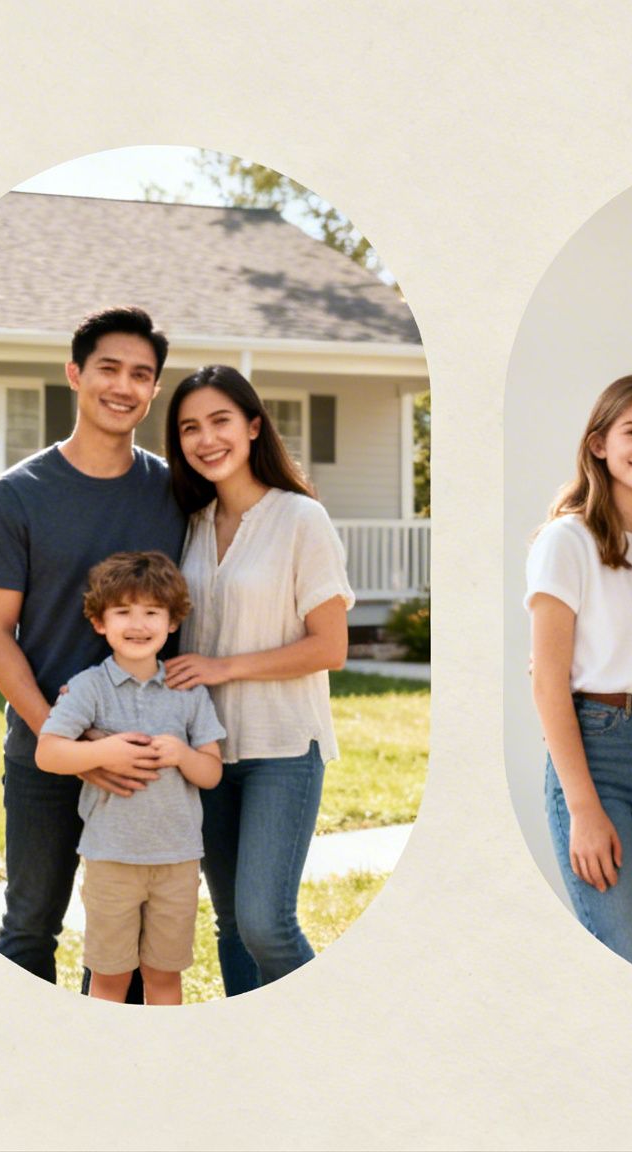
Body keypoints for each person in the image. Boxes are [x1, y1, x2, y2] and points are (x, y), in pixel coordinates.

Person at [0, 305, 188, 992]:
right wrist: (66, 742)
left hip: (147, 758)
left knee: (120, 938)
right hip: (46, 747)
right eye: (109, 369)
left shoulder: (175, 492)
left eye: (141, 375)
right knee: (31, 925)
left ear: (154, 389)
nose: (124, 387)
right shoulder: (17, 495)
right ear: (75, 374)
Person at [163, 365, 355, 993]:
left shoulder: (302, 519)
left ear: (252, 426)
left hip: (282, 749)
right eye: (190, 427)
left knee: (265, 924)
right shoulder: (189, 525)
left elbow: (331, 647)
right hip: (206, 751)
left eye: (220, 420)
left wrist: (224, 667)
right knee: (230, 924)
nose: (205, 438)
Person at [525, 375, 632, 978]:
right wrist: (583, 808)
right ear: (599, 444)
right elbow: (546, 683)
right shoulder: (566, 540)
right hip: (598, 752)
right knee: (625, 965)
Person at [35, 552, 225, 1004]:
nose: (138, 624)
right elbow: (48, 752)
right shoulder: (87, 688)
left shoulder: (189, 693)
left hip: (176, 862)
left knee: (163, 977)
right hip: (111, 860)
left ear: (172, 622)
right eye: (123, 611)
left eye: (152, 612)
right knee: (109, 979)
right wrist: (104, 752)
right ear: (100, 623)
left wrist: (181, 754)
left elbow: (212, 773)